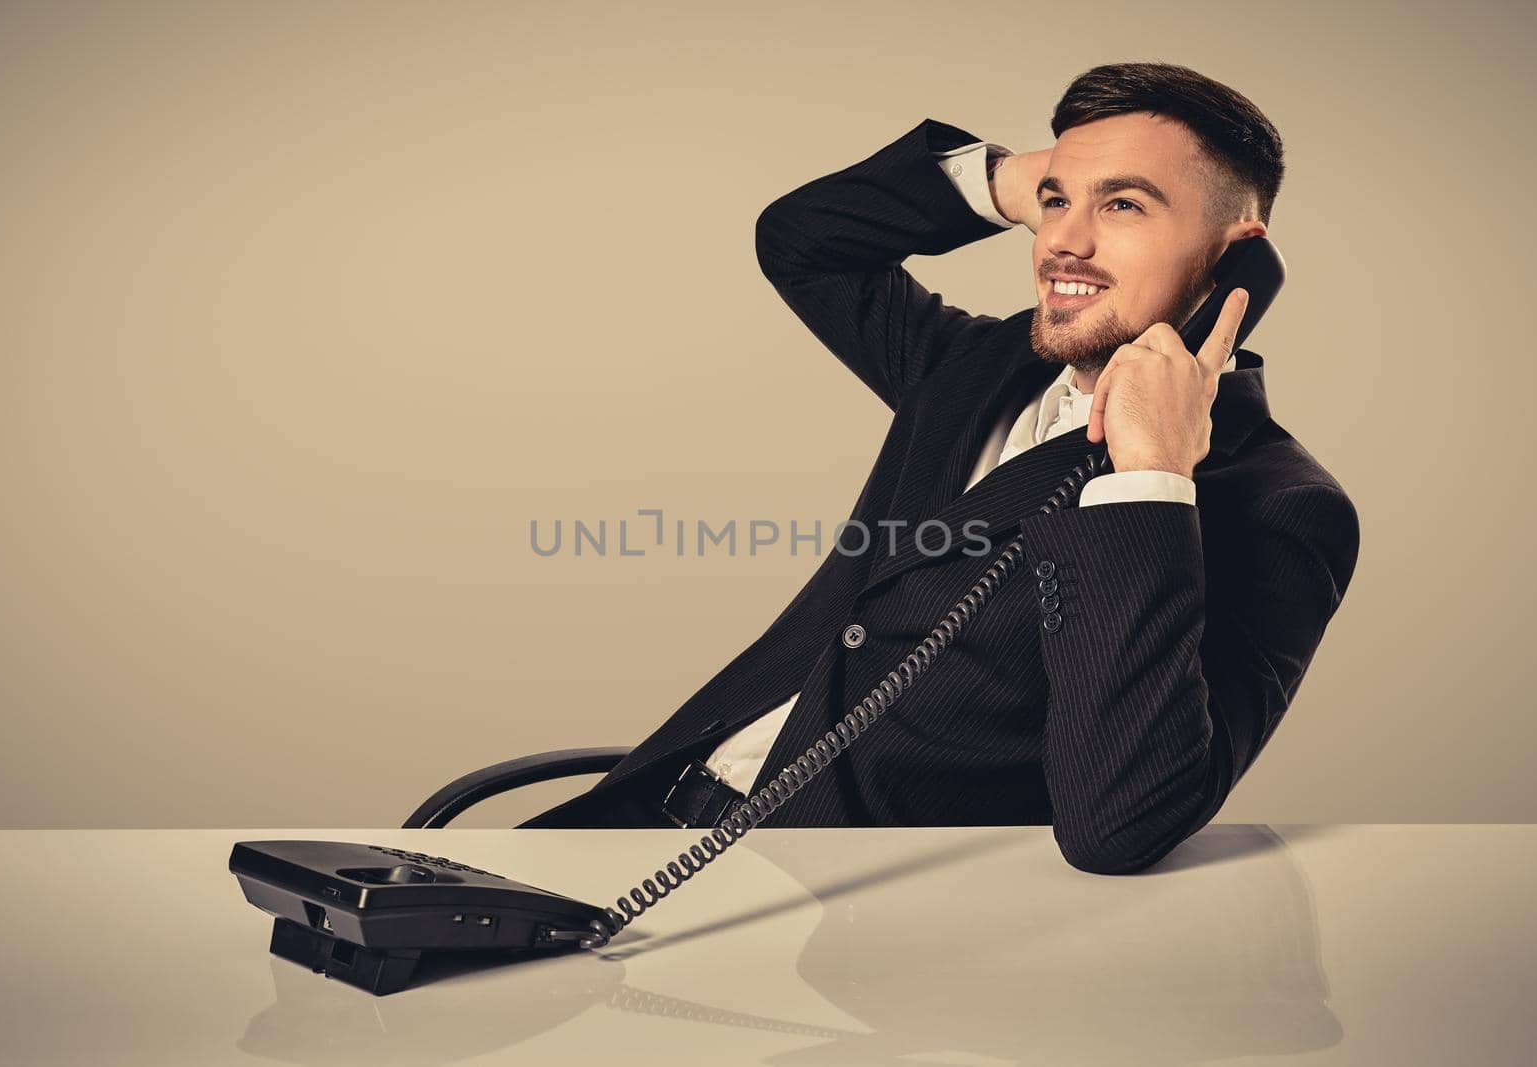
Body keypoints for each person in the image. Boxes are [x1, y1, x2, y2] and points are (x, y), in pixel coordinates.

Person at [518, 62, 1360, 876]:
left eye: (1124, 205)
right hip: (646, 815)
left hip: (831, 920)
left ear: (1233, 262)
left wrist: (1150, 477)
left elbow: (1123, 822)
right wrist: (1011, 179)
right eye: (1056, 201)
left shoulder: (1282, 507)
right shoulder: (975, 368)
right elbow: (801, 242)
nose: (1061, 240)